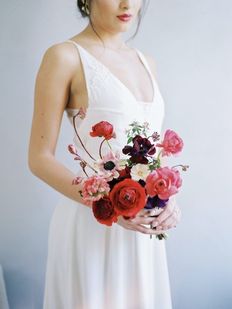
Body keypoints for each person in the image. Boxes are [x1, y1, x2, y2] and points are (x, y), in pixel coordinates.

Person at [28, 0, 182, 308]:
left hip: (142, 231)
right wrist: (108, 203)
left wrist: (167, 201)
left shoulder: (146, 61)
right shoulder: (64, 56)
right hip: (92, 224)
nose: (128, 4)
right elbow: (39, 158)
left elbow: (149, 151)